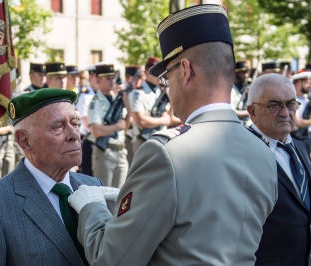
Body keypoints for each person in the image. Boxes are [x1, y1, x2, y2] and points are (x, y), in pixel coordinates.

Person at [68, 5, 278, 265]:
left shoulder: (166, 154)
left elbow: (111, 259)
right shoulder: (265, 152)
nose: (167, 89)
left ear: (186, 71)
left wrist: (91, 207)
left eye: (168, 77)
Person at [0, 89, 105, 266]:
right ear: (24, 141)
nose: (74, 135)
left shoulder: (93, 186)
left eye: (75, 123)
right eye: (57, 127)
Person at [246, 73, 311, 265]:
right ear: (252, 111)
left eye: (291, 104)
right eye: (274, 105)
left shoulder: (298, 147)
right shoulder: (241, 152)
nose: (285, 112)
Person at [88, 64, 131, 188]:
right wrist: (116, 126)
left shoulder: (117, 100)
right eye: (108, 78)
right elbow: (96, 130)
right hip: (105, 152)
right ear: (97, 80)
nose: (112, 81)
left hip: (121, 151)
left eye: (113, 78)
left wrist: (128, 108)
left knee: (120, 196)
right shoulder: (95, 102)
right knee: (105, 195)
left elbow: (126, 127)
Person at [75, 64, 99, 175]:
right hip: (90, 142)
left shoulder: (106, 95)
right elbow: (87, 124)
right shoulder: (85, 96)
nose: (99, 80)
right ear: (91, 77)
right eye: (97, 77)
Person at [291, 72, 311, 149]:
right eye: (306, 83)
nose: (309, 86)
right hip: (297, 137)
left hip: (307, 137)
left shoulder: (307, 101)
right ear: (298, 83)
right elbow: (297, 122)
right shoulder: (293, 100)